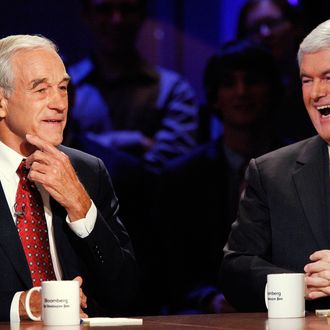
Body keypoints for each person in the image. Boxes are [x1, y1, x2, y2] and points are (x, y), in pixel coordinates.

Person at [0, 34, 138, 322]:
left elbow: (124, 291)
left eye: (63, 88)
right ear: (1, 102)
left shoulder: (88, 171)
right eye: (40, 90)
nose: (59, 104)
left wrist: (81, 207)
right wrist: (24, 305)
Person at [156, 39, 286, 314]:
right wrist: (209, 299)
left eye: (252, 81)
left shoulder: (304, 167)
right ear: (215, 96)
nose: (241, 92)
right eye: (229, 83)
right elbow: (167, 265)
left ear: (272, 91)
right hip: (203, 312)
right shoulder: (181, 177)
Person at [220, 19, 330, 312]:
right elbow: (236, 269)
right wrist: (296, 286)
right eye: (307, 80)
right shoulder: (272, 173)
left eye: (329, 77)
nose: (317, 92)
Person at [67, 0, 199, 169]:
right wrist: (138, 141)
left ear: (142, 16)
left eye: (127, 9)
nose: (117, 20)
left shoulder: (174, 89)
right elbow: (57, 152)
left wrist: (86, 147)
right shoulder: (63, 86)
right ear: (86, 15)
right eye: (104, 10)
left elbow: (169, 170)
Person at [236, 0, 314, 142]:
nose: (265, 33)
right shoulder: (240, 90)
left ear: (295, 27)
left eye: (272, 23)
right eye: (255, 28)